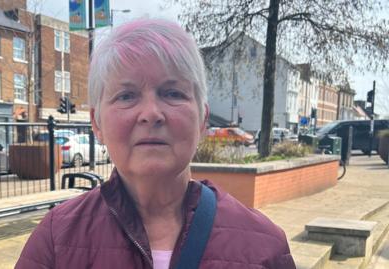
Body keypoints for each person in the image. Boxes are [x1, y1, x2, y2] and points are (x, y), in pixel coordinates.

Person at [15, 18, 296, 269]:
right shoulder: (56, 241)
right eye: (126, 96)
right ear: (96, 123)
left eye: (172, 92)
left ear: (203, 119)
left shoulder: (264, 249)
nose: (151, 113)